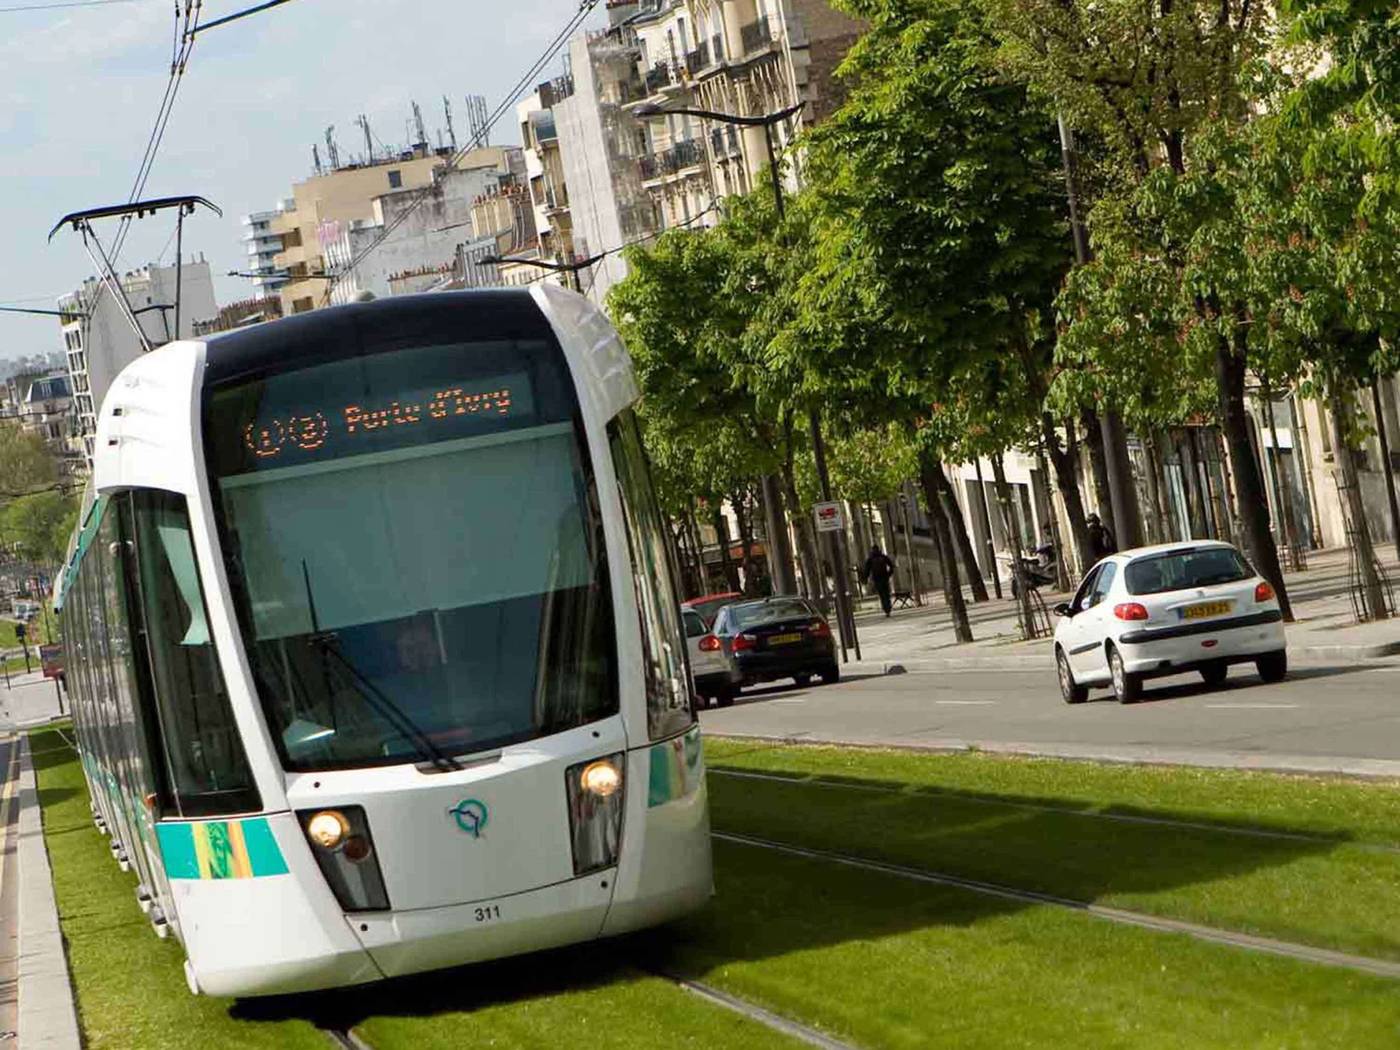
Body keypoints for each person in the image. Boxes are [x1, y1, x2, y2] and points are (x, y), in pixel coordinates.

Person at [861, 544, 897, 617]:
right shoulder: (883, 557)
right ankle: (888, 608)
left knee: (882, 595)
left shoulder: (871, 558)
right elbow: (891, 566)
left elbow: (867, 570)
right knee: (886, 594)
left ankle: (886, 609)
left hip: (877, 579)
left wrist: (865, 579)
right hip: (884, 578)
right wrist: (888, 574)